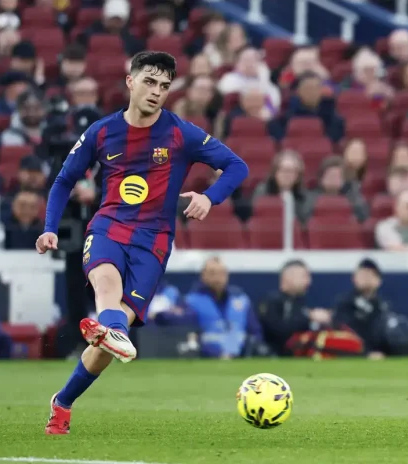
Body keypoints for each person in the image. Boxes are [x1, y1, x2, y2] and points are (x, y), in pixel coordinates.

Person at [35, 51, 249, 434]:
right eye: (150, 82)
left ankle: (63, 400)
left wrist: (209, 197)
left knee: (108, 343)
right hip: (108, 227)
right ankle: (111, 330)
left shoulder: (181, 133)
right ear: (130, 81)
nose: (156, 91)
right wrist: (50, 227)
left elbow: (238, 166)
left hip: (154, 243)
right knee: (106, 286)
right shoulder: (102, 132)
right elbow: (64, 180)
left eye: (164, 86)